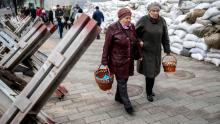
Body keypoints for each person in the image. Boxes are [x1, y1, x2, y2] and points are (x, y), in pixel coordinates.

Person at [101, 8, 141, 115]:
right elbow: (106, 47)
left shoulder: (132, 27)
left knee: (124, 80)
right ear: (120, 18)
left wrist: (139, 55)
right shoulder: (112, 28)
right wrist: (104, 63)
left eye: (130, 18)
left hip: (129, 61)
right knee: (122, 81)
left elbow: (135, 41)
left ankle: (118, 97)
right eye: (126, 18)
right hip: (117, 61)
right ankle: (127, 105)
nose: (129, 20)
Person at [135, 2, 171, 102]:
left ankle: (149, 89)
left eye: (157, 11)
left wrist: (167, 50)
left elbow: (165, 36)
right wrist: (139, 41)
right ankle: (149, 92)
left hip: (156, 51)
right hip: (145, 51)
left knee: (154, 72)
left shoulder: (162, 21)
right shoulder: (143, 20)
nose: (155, 13)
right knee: (149, 72)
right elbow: (134, 34)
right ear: (149, 11)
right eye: (153, 11)